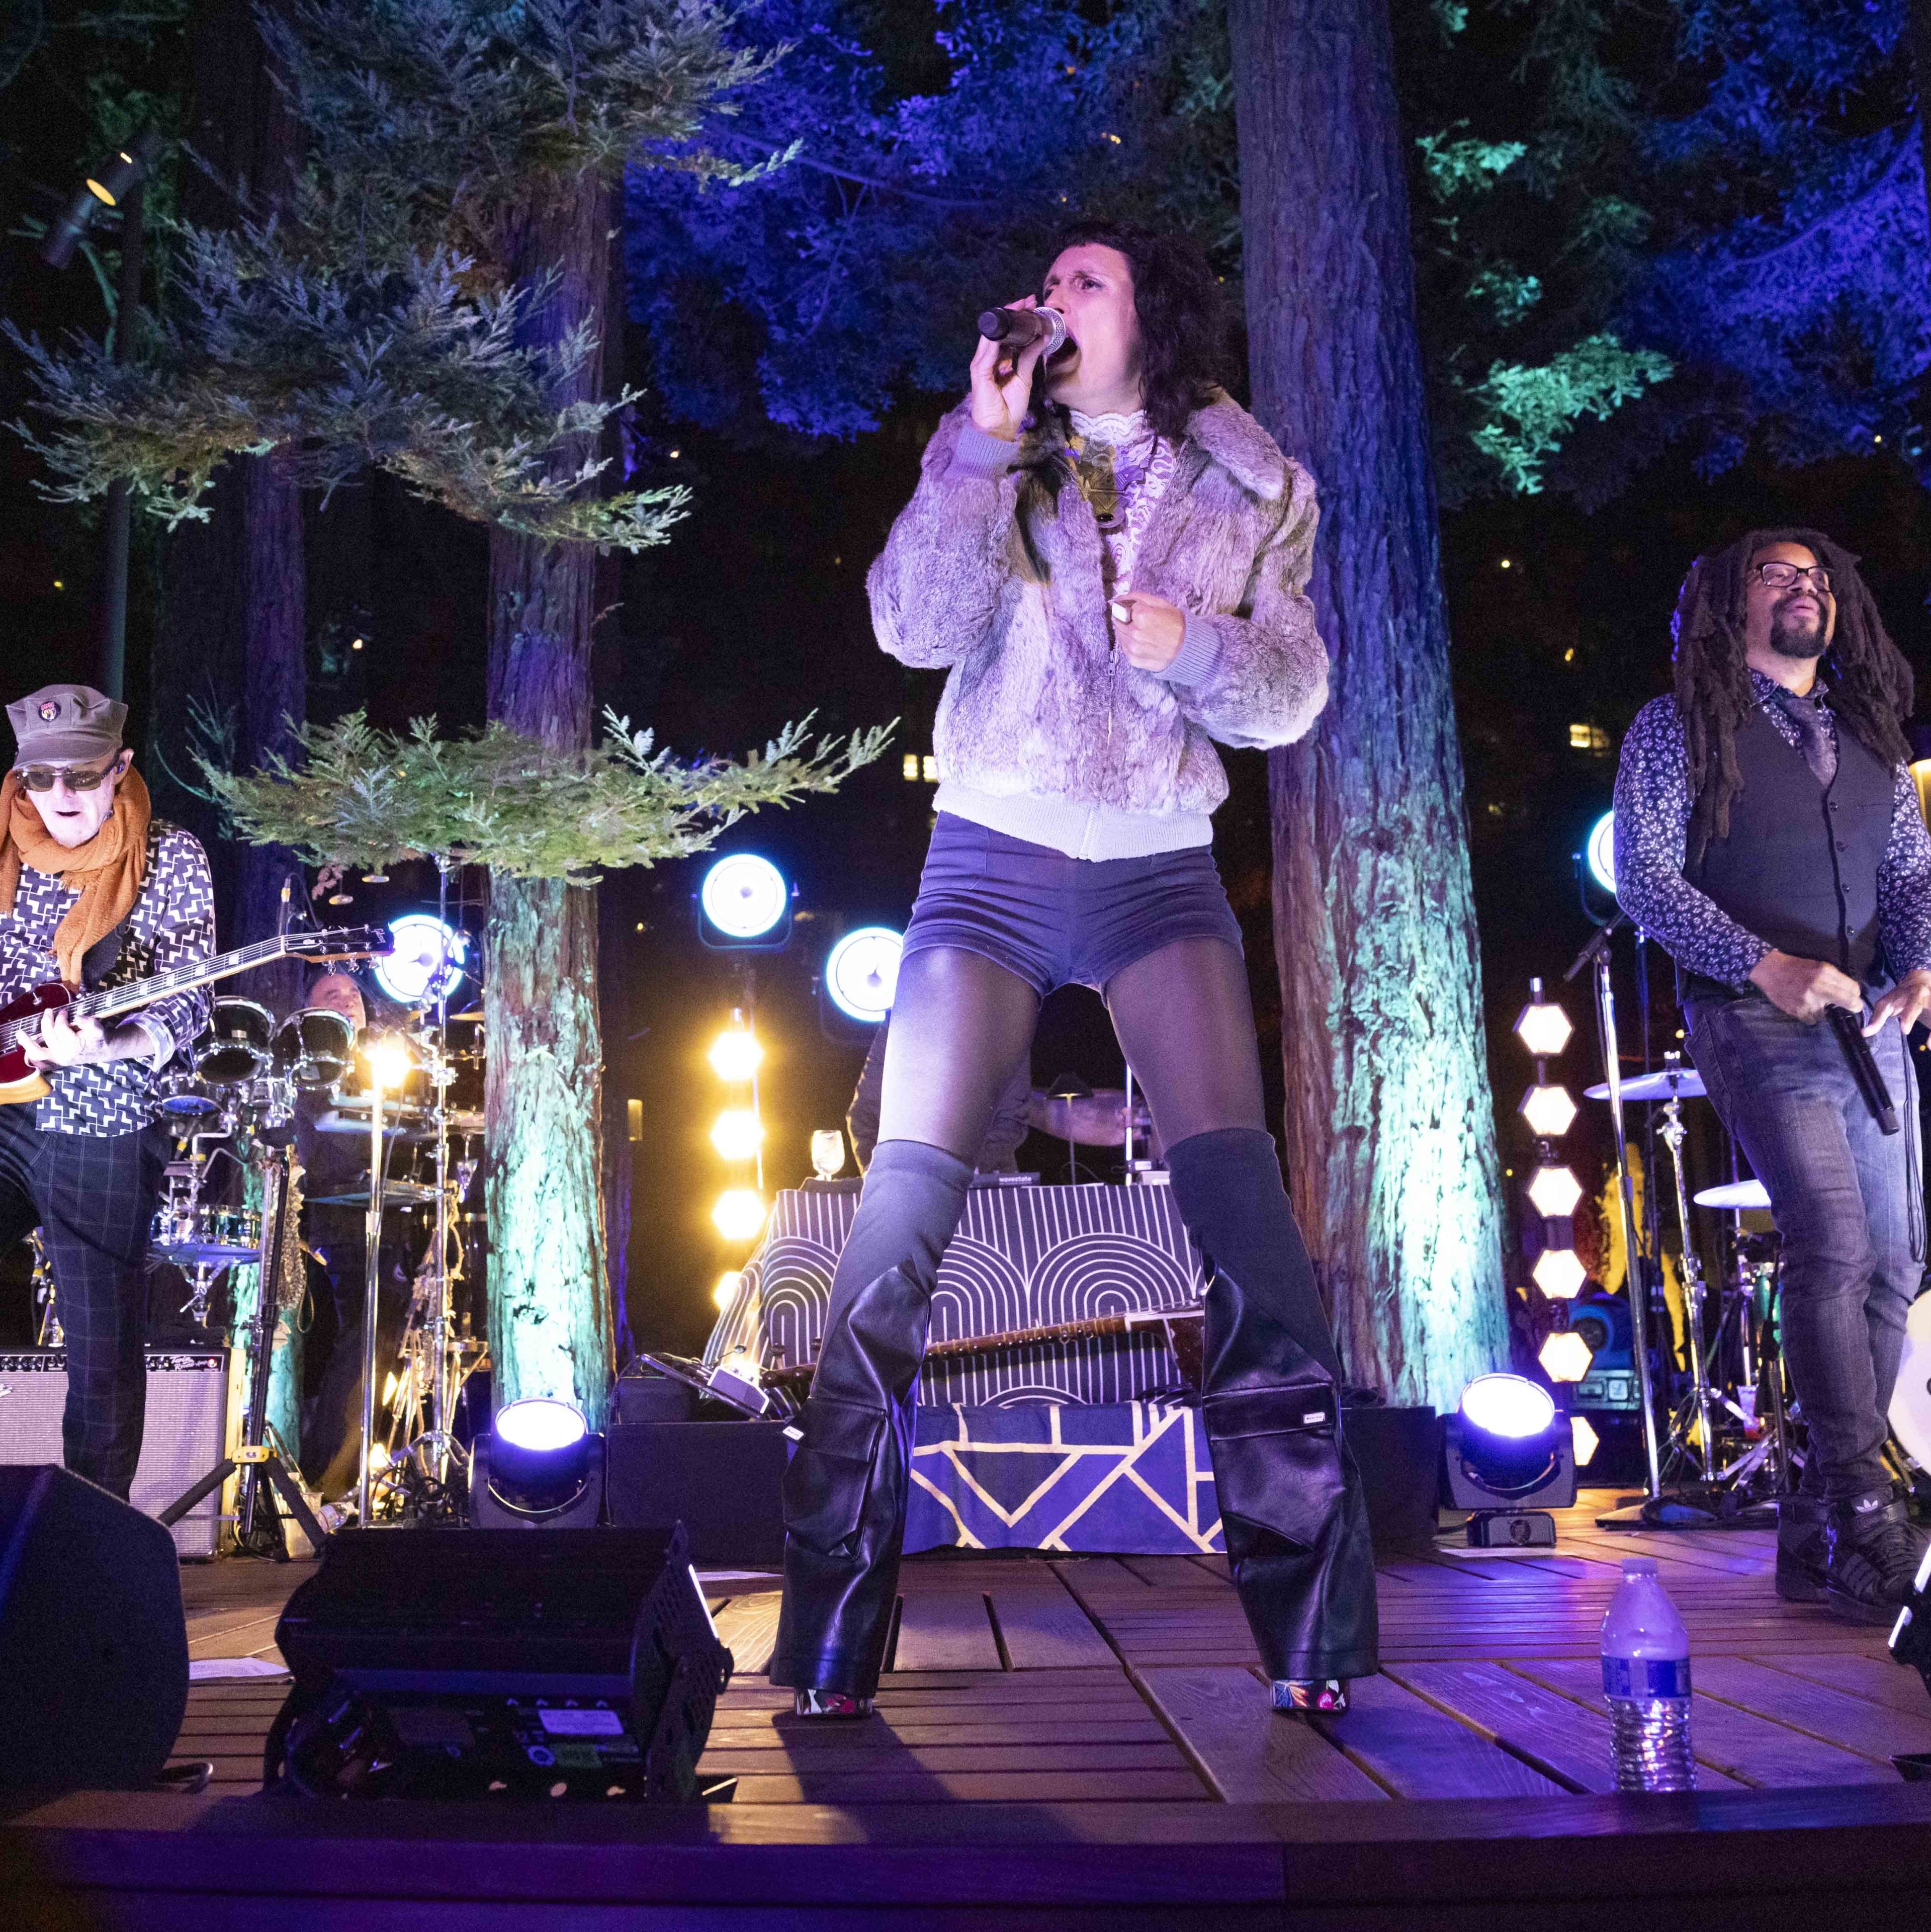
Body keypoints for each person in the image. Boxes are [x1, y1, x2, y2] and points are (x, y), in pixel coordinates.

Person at [770, 221, 1378, 1719]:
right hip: (982, 866)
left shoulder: (1258, 483)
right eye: (1044, 282)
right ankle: (832, 1639)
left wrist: (1189, 645)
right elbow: (909, 624)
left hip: (1157, 872)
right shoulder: (991, 446)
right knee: (890, 1238)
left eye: (1087, 280)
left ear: (1146, 314)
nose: (1053, 297)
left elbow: (1292, 691)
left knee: (1247, 1237)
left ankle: (1311, 1641)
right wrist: (975, 446)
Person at [1614, 531, 1931, 1622]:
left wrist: (1922, 962)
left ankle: (1817, 1532)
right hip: (1752, 1013)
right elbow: (1645, 879)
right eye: (1776, 575)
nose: (1805, 589)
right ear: (1725, 603)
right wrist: (1762, 961)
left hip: (1868, 1024)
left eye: (1819, 578)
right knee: (1831, 1243)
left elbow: (1911, 876)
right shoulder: (1681, 728)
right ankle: (1863, 1495)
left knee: (1894, 1264)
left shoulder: (1868, 738)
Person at [0, 684, 214, 1497]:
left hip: (102, 1121)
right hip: (4, 1118)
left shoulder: (170, 858)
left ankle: (87, 1542)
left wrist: (112, 1042)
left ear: (119, 768)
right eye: (40, 779)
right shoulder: (4, 850)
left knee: (101, 1352)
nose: (60, 798)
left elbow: (187, 999)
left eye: (82, 778)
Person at [845, 1014, 1031, 1177]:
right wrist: (876, 1172)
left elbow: (1011, 1120)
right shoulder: (899, 1020)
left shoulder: (1008, 1023)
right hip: (909, 1188)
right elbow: (863, 1115)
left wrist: (958, 1171)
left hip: (987, 1189)